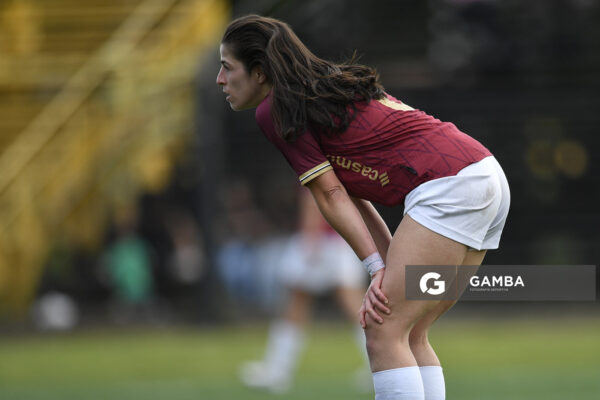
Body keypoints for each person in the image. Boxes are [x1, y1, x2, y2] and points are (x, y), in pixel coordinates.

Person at [216, 15, 510, 400]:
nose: (220, 79)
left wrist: (375, 268)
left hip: (450, 186)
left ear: (258, 73)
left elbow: (329, 195)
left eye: (226, 67)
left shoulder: (275, 109)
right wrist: (381, 263)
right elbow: (351, 193)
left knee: (382, 328)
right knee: (411, 331)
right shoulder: (321, 90)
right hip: (484, 175)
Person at [239, 187, 369, 393]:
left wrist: (310, 237)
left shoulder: (315, 154)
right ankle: (379, 367)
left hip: (322, 240)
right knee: (352, 306)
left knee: (301, 304)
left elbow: (316, 193)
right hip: (335, 239)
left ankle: (277, 372)